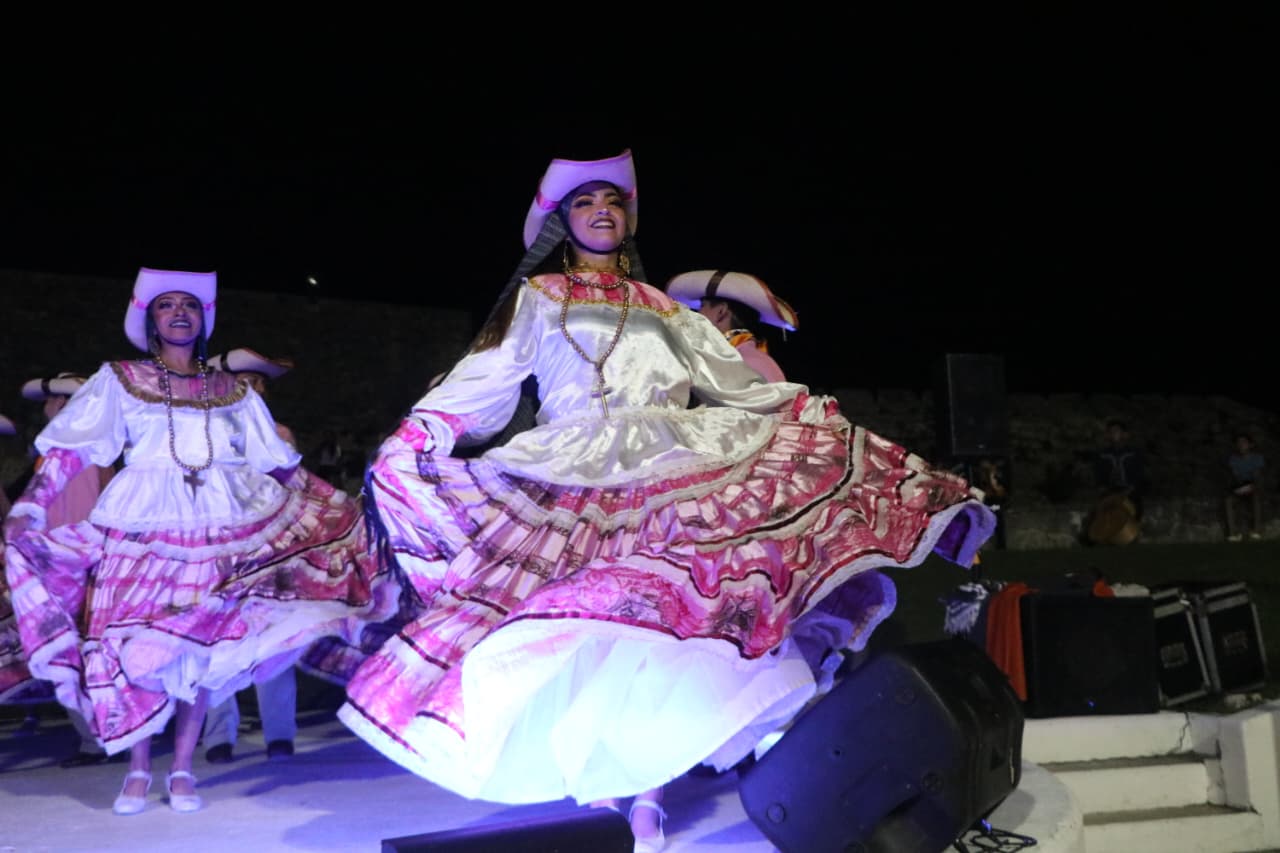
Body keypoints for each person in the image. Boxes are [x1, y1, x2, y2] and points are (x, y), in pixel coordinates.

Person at [337, 149, 994, 853]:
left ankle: (649, 792)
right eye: (586, 201)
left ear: (627, 220)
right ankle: (602, 789)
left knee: (668, 625)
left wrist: (804, 412)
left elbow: (732, 380)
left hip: (674, 465)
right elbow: (490, 379)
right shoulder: (539, 297)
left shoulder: (663, 308)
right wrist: (424, 432)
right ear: (563, 221)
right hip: (571, 471)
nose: (601, 211)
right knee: (594, 629)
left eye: (613, 202)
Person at [2, 268, 396, 816]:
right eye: (167, 305)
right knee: (129, 643)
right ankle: (138, 767)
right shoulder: (120, 378)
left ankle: (183, 767)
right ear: (150, 319)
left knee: (200, 647)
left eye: (189, 304)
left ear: (204, 318)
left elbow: (278, 464)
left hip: (219, 523)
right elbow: (71, 449)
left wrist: (338, 505)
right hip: (141, 520)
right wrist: (29, 505)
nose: (179, 312)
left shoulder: (233, 390)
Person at [198, 348, 301, 763]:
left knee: (274, 641)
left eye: (256, 383)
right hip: (216, 550)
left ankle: (280, 733)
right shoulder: (200, 435)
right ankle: (218, 736)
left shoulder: (279, 433)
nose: (249, 389)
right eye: (241, 383)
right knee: (216, 642)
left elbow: (291, 490)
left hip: (268, 549)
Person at [14, 372, 122, 767]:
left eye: (52, 402)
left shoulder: (91, 451)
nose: (46, 409)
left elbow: (107, 501)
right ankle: (100, 737)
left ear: (63, 405)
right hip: (65, 562)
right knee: (72, 650)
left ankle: (107, 737)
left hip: (85, 562)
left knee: (85, 651)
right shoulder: (52, 454)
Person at [1086, 418, 1146, 545]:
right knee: (1100, 512)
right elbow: (1099, 475)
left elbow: (1139, 474)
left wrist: (1128, 491)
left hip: (1130, 492)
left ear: (1125, 434)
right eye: (1110, 432)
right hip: (1111, 491)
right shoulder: (1102, 454)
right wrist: (1103, 488)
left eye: (1116, 431)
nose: (1113, 434)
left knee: (1133, 510)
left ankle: (1130, 538)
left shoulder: (1134, 453)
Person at [1224, 432, 1265, 542]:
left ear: (1250, 445)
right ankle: (1233, 533)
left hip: (1254, 485)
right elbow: (1236, 477)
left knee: (1256, 497)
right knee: (1229, 501)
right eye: (1239, 443)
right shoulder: (1233, 459)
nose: (1241, 445)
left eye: (1244, 442)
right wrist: (1242, 487)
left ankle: (1256, 531)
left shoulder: (1257, 458)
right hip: (1241, 486)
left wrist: (1251, 485)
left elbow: (1256, 476)